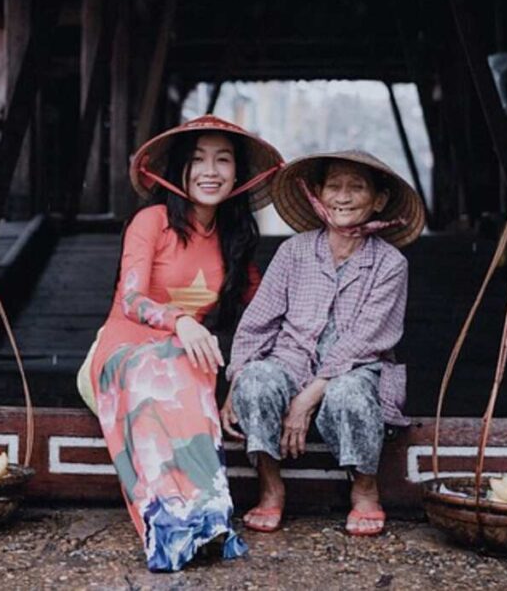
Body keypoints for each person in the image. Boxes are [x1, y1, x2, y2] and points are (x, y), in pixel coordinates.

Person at [79, 114, 283, 571]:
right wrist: (182, 323)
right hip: (120, 352)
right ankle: (169, 525)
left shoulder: (235, 237)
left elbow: (264, 313)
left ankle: (208, 519)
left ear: (237, 174)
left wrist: (245, 376)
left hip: (184, 362)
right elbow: (130, 299)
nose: (210, 171)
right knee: (175, 358)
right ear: (179, 170)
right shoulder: (150, 221)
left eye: (223, 160)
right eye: (198, 160)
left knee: (192, 364)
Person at [221, 150, 425, 537]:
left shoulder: (390, 263)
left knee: (350, 395)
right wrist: (237, 379)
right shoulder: (293, 252)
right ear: (317, 194)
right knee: (256, 381)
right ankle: (270, 484)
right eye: (334, 186)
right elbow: (257, 323)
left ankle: (364, 489)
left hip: (356, 369)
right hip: (290, 360)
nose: (343, 197)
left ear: (378, 200)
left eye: (357, 187)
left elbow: (365, 340)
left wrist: (307, 398)